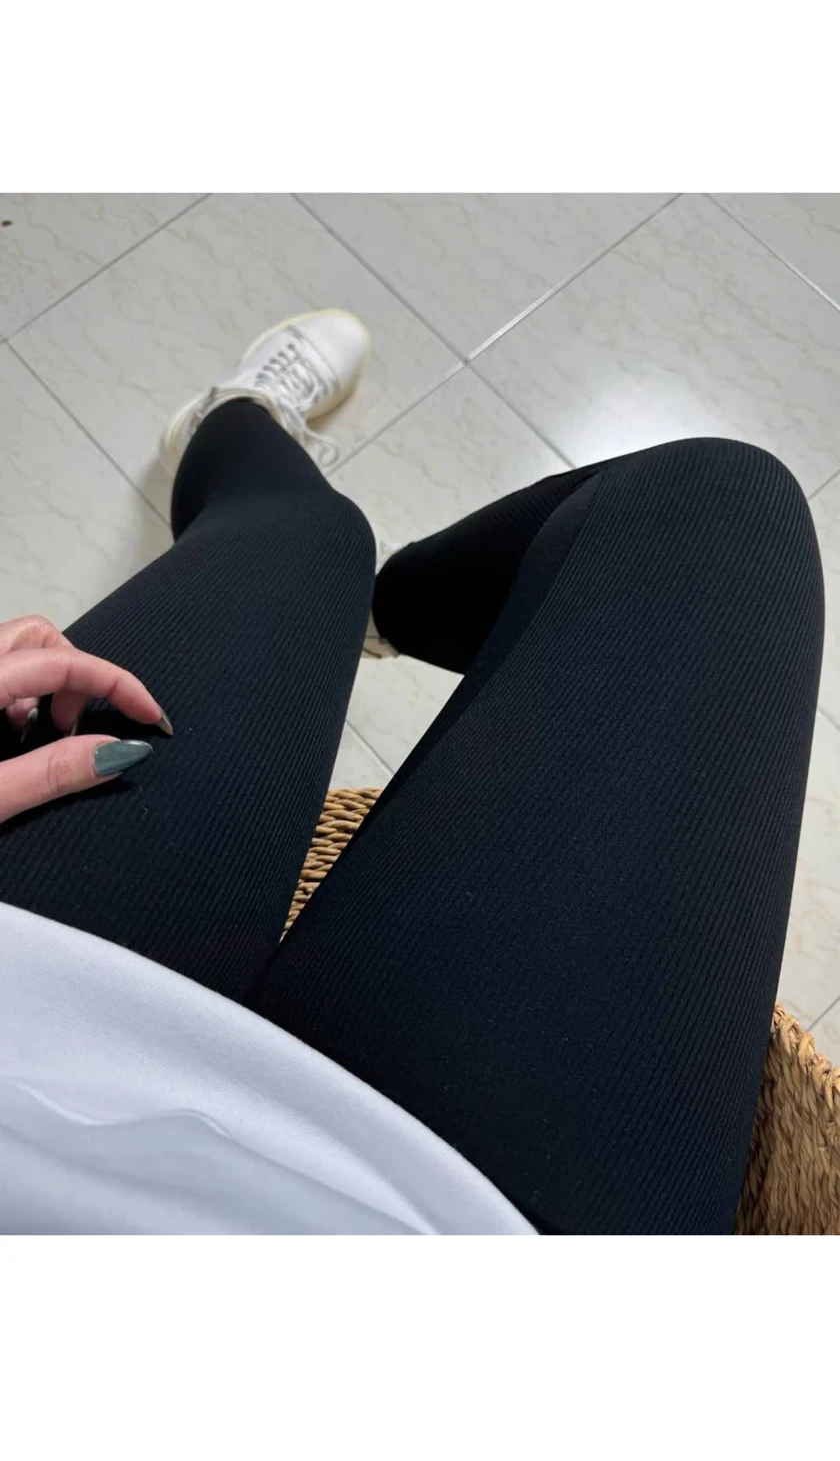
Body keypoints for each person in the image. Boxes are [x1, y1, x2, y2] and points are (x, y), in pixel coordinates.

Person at [0, 309, 823, 1235]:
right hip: (449, 1221)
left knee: (310, 535)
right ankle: (371, 595)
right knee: (716, 512)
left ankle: (248, 442)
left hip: (28, 1038)